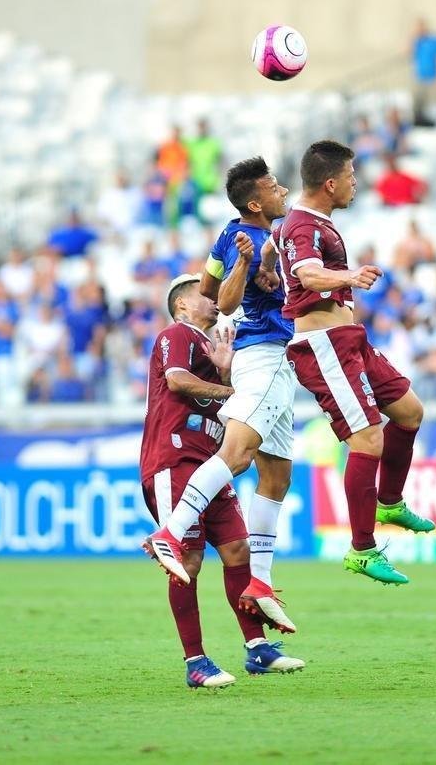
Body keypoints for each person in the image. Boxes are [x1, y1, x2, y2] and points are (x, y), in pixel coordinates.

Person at [144, 157, 298, 634]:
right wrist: (252, 269)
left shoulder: (228, 241)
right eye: (273, 185)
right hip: (267, 351)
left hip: (272, 358)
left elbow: (213, 291)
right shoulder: (243, 242)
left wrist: (257, 272)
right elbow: (225, 300)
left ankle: (261, 586)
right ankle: (169, 535)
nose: (282, 190)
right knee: (238, 457)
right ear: (255, 201)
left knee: (275, 475)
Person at [139, 273, 304, 688]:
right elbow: (178, 381)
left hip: (210, 464)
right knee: (188, 561)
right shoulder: (177, 333)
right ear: (181, 305)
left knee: (237, 550)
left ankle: (257, 649)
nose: (213, 299)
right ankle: (195, 661)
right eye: (203, 294)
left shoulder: (215, 348)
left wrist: (228, 373)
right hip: (173, 461)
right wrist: (230, 391)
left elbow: (221, 402)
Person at [280, 141, 434, 583]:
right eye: (350, 176)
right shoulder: (304, 227)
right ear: (330, 184)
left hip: (349, 338)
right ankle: (362, 550)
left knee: (409, 411)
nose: (355, 183)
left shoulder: (305, 223)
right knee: (367, 441)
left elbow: (280, 259)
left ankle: (390, 501)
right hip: (325, 344)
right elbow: (307, 273)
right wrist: (348, 276)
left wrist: (269, 269)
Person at [410, 19, 436, 125]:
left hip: (433, 78)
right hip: (420, 78)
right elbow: (407, 53)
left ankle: (435, 125)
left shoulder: (435, 42)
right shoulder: (418, 42)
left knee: (433, 105)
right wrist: (413, 37)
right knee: (418, 103)